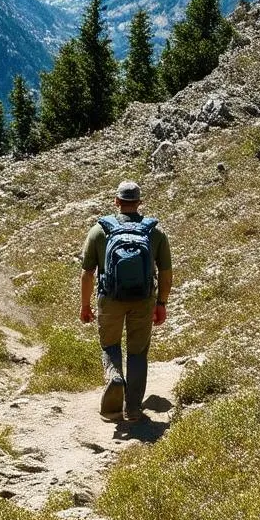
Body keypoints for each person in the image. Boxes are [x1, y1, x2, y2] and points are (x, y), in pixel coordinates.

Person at [79, 180, 173, 422]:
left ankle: (113, 383)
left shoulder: (100, 230)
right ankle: (132, 409)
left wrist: (85, 305)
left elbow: (88, 272)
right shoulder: (154, 231)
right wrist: (161, 303)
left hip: (110, 299)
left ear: (117, 202)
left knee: (110, 346)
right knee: (138, 353)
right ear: (139, 203)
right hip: (143, 300)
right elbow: (165, 272)